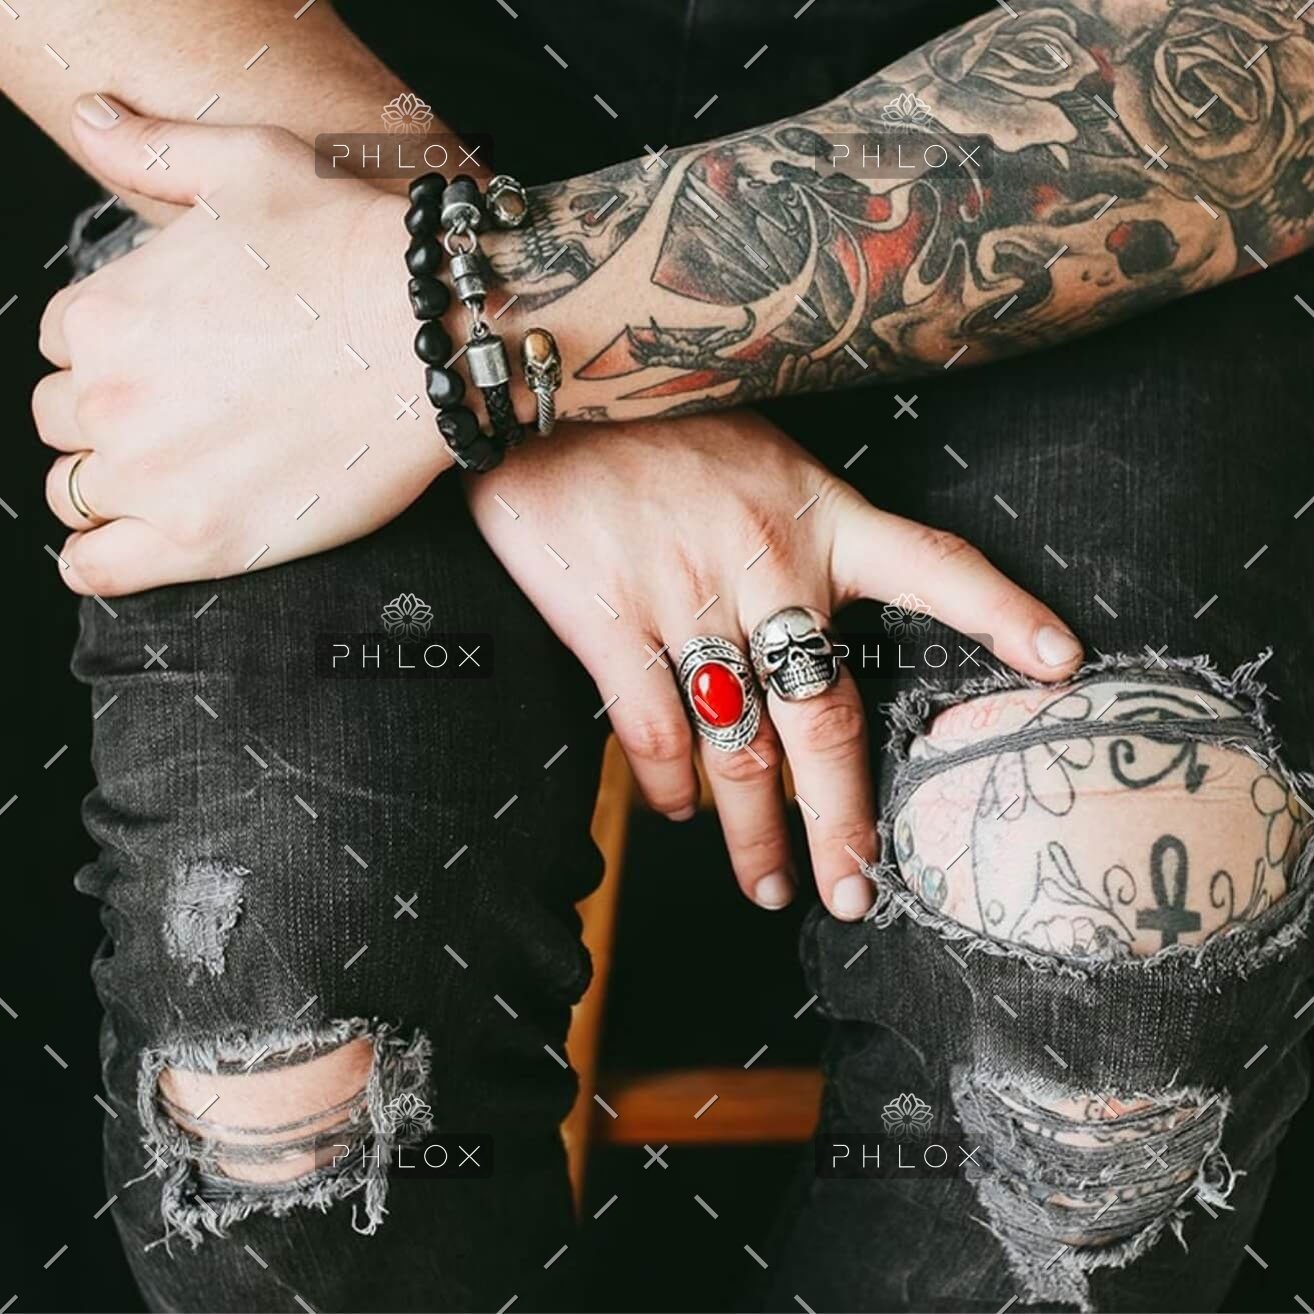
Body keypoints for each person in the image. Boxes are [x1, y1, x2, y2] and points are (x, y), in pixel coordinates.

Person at [8, 0, 1314, 1308]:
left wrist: (481, 330)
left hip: (1067, 152)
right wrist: (496, 356)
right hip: (333, 123)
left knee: (1111, 989)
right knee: (281, 1098)